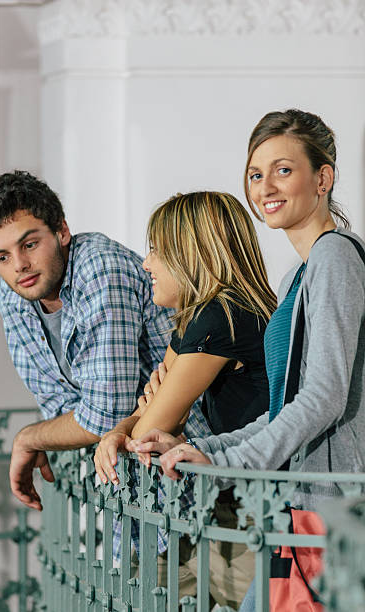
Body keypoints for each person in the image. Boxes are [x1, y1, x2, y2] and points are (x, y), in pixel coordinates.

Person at [133, 110, 365, 610]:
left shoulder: (336, 257)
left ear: (322, 178)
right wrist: (203, 450)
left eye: (283, 169)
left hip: (336, 511)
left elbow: (324, 397)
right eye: (255, 175)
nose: (265, 187)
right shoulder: (296, 280)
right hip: (300, 505)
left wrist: (226, 461)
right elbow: (283, 408)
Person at [0, 170, 210, 518]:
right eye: (1, 257)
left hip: (190, 488)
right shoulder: (14, 296)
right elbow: (59, 407)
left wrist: (30, 438)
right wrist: (58, 429)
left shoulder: (99, 268)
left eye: (29, 244)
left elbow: (104, 414)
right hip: (125, 500)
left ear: (61, 231)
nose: (19, 265)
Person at [94, 190, 277, 608]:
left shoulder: (223, 316)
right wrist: (117, 431)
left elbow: (149, 430)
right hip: (221, 501)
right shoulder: (203, 317)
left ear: (189, 253)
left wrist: (138, 422)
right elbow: (143, 417)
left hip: (249, 513)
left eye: (157, 250)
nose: (147, 264)